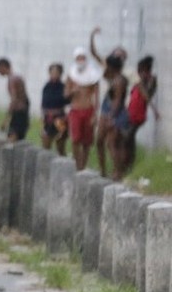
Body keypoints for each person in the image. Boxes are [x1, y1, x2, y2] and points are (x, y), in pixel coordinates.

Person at [88, 27, 128, 179]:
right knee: (99, 141)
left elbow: (118, 101)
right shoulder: (111, 75)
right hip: (108, 109)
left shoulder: (119, 80)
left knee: (111, 143)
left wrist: (110, 117)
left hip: (115, 112)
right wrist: (92, 36)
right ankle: (103, 170)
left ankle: (118, 172)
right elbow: (94, 54)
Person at [119, 55, 159, 173]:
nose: (140, 73)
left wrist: (155, 111)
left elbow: (147, 96)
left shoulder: (150, 81)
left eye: (142, 70)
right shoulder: (138, 81)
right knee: (127, 139)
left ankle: (128, 165)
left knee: (128, 138)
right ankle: (127, 165)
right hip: (130, 112)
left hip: (138, 115)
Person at [65, 46, 102, 170]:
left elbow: (97, 96)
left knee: (86, 141)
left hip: (88, 109)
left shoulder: (93, 75)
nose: (80, 60)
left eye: (83, 58)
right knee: (75, 139)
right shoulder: (71, 75)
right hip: (75, 110)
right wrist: (72, 92)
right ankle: (77, 163)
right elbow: (66, 94)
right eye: (78, 58)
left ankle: (83, 165)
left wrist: (95, 114)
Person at [0, 58, 30, 142]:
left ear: (3, 67)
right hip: (23, 111)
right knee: (20, 138)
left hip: (18, 112)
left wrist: (5, 120)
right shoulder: (17, 77)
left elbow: (14, 99)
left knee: (12, 138)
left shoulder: (12, 80)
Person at [40, 63, 69, 155]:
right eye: (52, 72)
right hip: (47, 118)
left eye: (56, 72)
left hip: (59, 118)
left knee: (60, 145)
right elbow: (43, 104)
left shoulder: (63, 87)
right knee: (45, 143)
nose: (54, 74)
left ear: (60, 74)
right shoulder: (46, 87)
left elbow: (67, 101)